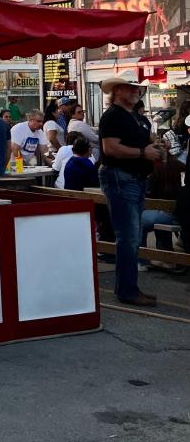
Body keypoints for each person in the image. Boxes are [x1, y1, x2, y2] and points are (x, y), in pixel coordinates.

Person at [98, 74, 165, 307]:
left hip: (132, 178)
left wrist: (154, 148)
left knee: (131, 236)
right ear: (117, 91)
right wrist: (144, 153)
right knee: (129, 236)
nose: (136, 91)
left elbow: (140, 143)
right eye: (130, 87)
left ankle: (128, 288)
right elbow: (111, 148)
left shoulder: (135, 118)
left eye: (137, 87)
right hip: (122, 177)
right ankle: (127, 289)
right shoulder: (114, 116)